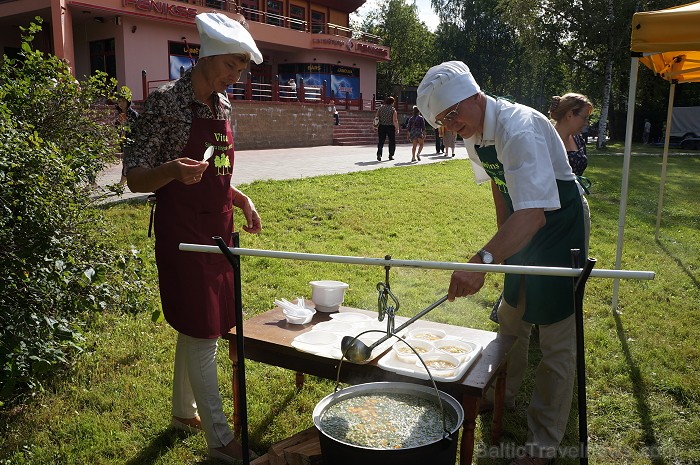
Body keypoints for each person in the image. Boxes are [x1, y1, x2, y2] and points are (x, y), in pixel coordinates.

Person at [417, 61, 584, 465]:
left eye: (452, 114)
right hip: (522, 221)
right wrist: (500, 251)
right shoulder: (475, 132)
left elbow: (537, 214)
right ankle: (501, 393)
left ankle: (543, 442)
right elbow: (499, 187)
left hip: (558, 225)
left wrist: (483, 259)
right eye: (442, 121)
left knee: (556, 336)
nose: (450, 125)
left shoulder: (518, 127)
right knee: (512, 315)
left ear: (475, 95)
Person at [123, 12, 263, 464]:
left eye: (241, 71)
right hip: (182, 231)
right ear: (205, 57)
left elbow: (216, 174)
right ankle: (221, 440)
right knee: (204, 331)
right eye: (230, 67)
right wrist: (170, 171)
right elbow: (135, 178)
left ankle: (183, 413)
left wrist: (240, 200)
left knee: (202, 322)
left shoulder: (223, 107)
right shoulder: (165, 101)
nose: (233, 78)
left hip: (219, 227)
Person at [549, 93, 593, 256]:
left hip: (577, 202)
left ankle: (576, 282)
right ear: (569, 114)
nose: (586, 123)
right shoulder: (547, 139)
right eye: (584, 117)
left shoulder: (579, 139)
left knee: (579, 251)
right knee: (556, 255)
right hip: (553, 207)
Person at [115, 96, 139, 184]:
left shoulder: (133, 114)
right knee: (127, 160)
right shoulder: (118, 113)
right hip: (123, 140)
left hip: (132, 140)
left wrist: (125, 124)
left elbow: (135, 129)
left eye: (123, 101)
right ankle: (129, 178)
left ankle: (123, 180)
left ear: (128, 102)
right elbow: (117, 128)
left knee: (126, 160)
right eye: (119, 101)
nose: (121, 104)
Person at [375, 96, 399, 161]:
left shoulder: (380, 108)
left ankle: (379, 154)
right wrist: (397, 128)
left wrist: (375, 126)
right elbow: (395, 120)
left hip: (381, 126)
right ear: (392, 102)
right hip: (390, 127)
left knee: (381, 141)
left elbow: (376, 117)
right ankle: (391, 155)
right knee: (392, 141)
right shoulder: (393, 110)